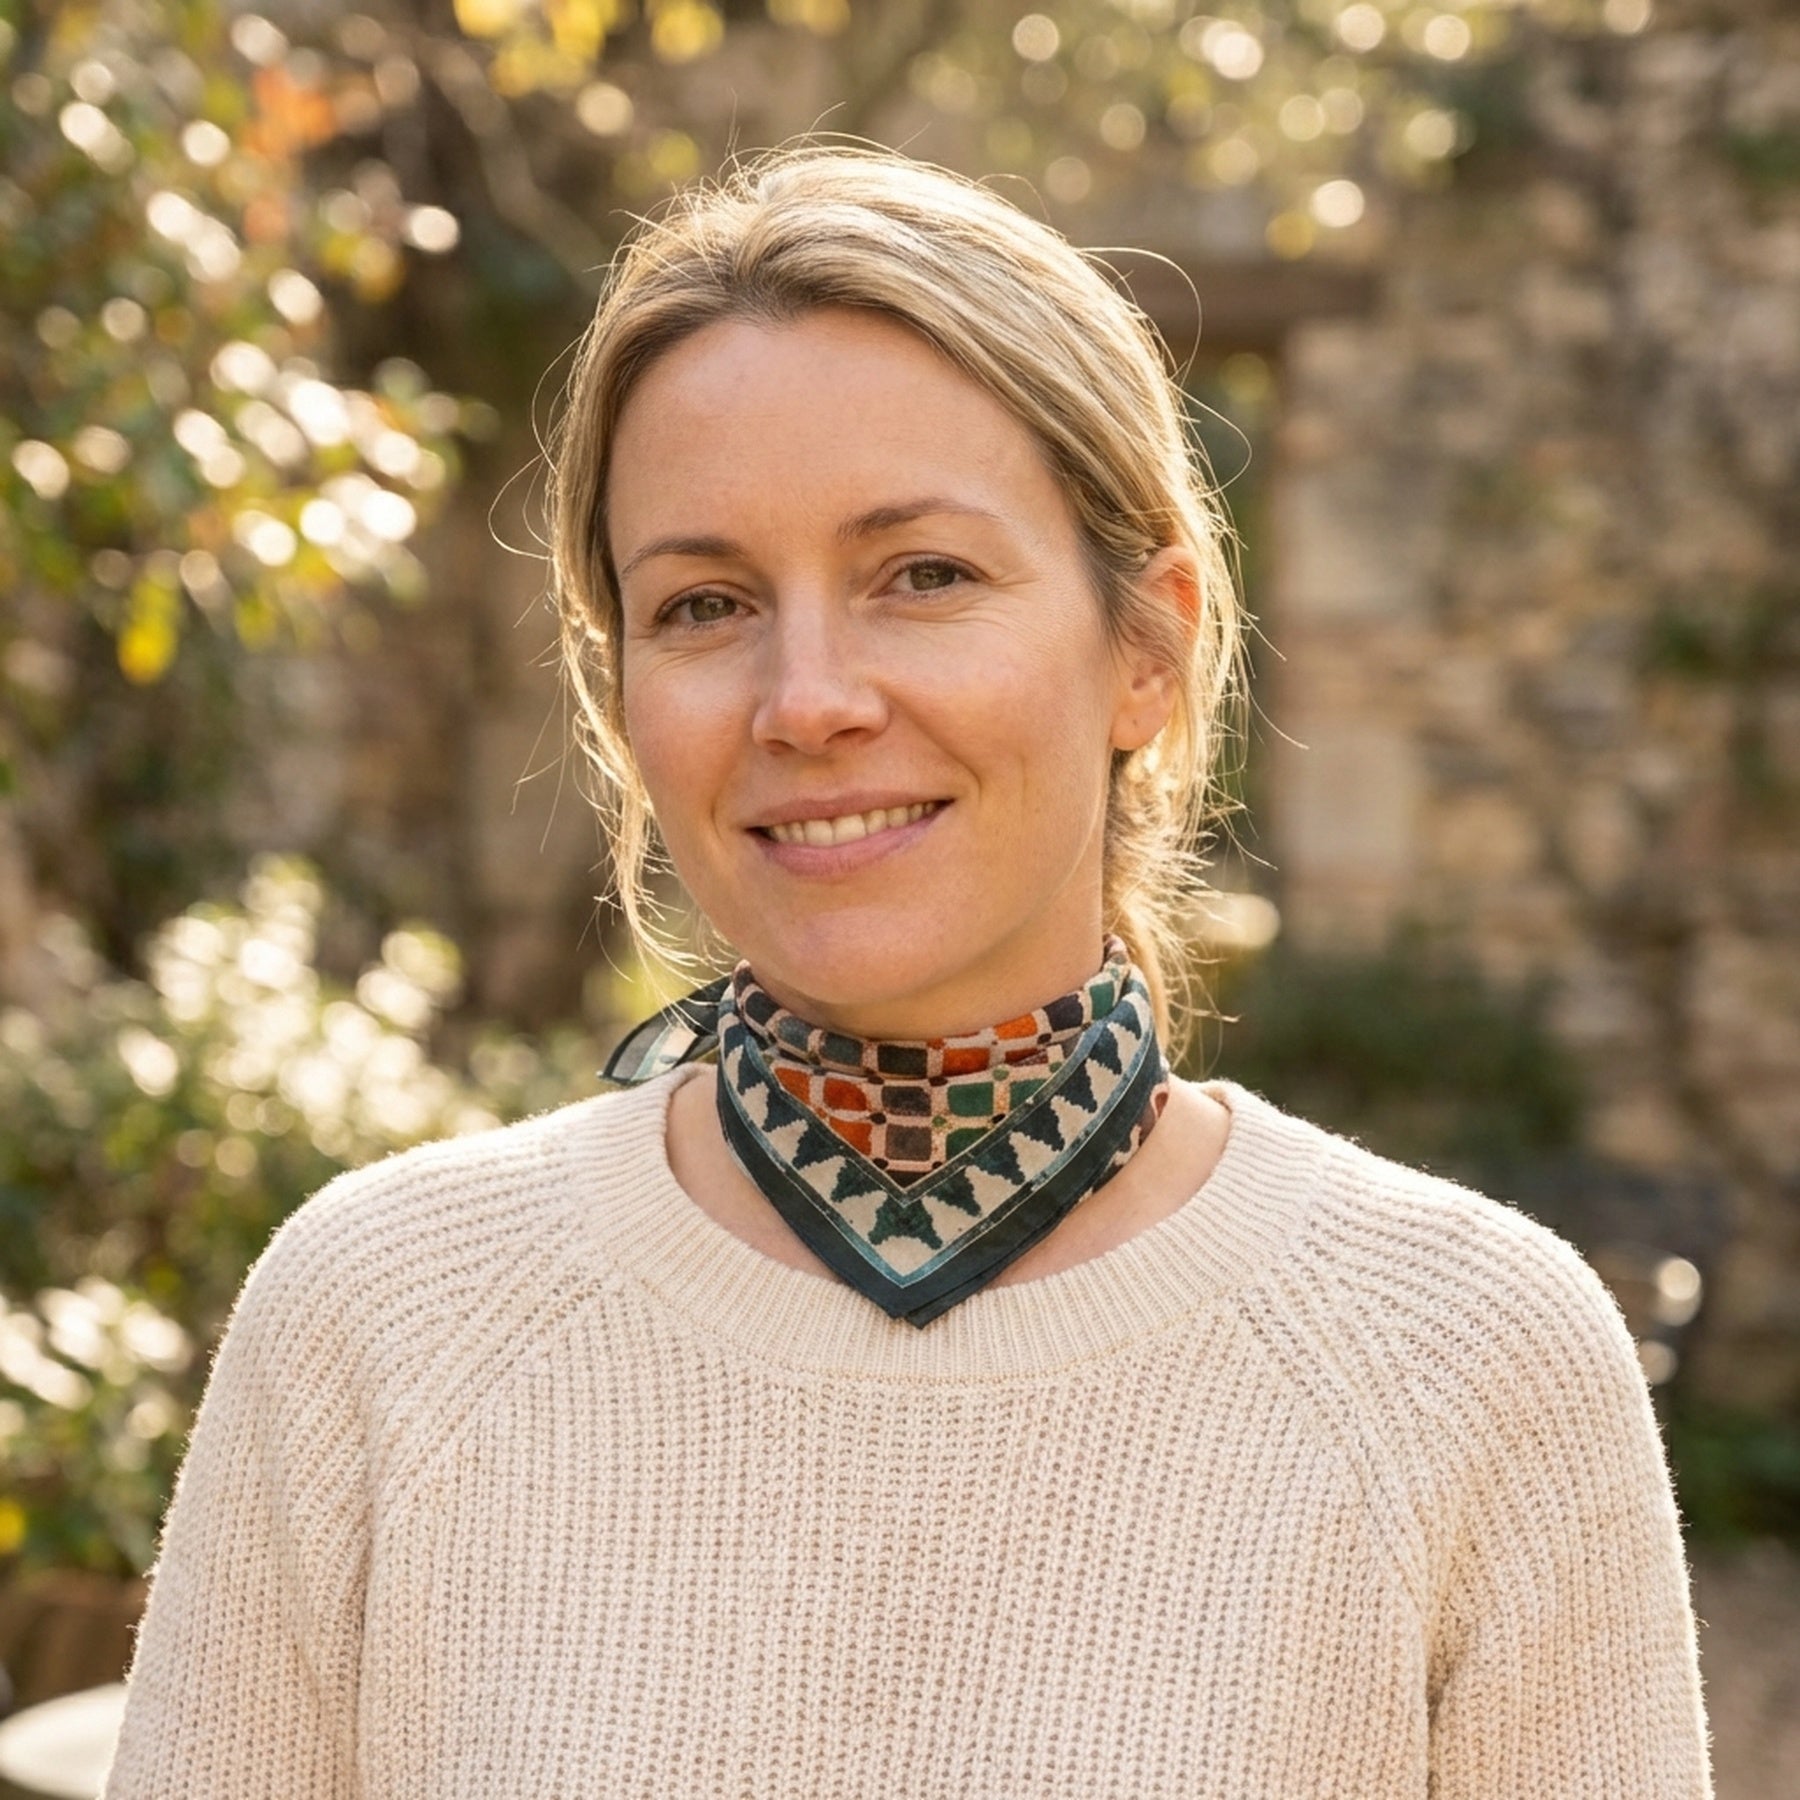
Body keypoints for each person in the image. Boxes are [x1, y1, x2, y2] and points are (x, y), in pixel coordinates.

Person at [102, 146, 1712, 1797]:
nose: (807, 700)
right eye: (707, 601)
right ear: (624, 695)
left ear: (1146, 649)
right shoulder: (385, 1324)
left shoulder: (1466, 1366)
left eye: (922, 575)